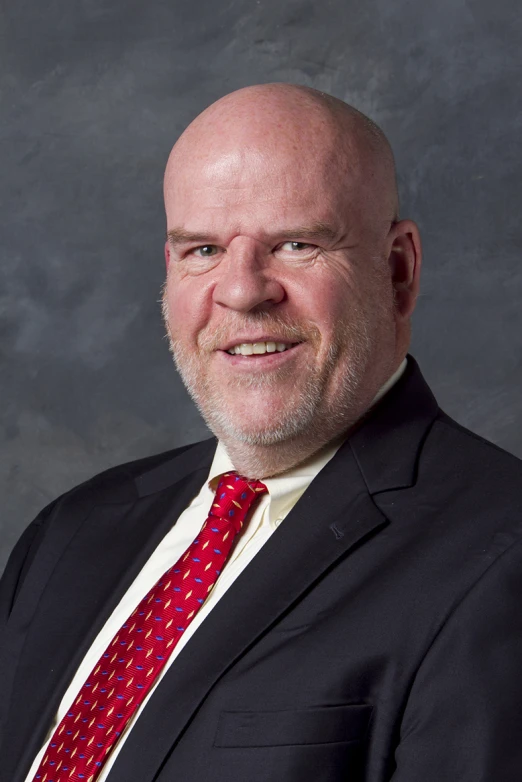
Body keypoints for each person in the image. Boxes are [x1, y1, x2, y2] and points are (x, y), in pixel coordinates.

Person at [1, 83, 522, 782]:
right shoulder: (71, 533)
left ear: (398, 270)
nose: (242, 290)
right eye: (204, 249)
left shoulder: (499, 558)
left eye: (297, 243)